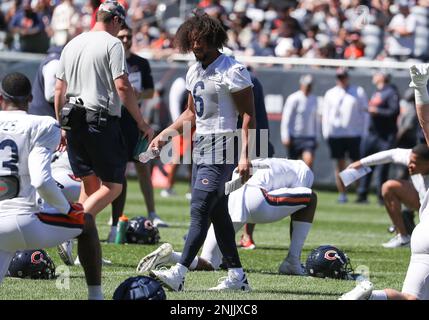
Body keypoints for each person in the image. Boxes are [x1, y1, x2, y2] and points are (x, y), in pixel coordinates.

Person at [147, 11, 255, 292]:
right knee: (217, 212)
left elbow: (248, 115)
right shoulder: (194, 69)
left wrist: (246, 155)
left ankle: (179, 272)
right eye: (192, 41)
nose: (196, 47)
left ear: (214, 40)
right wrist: (164, 135)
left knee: (200, 208)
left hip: (225, 142)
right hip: (202, 144)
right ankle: (237, 276)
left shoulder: (232, 69)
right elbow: (191, 114)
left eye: (201, 42)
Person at [0, 72, 103, 300]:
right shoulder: (42, 124)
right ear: (30, 99)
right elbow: (41, 180)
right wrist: (67, 209)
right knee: (86, 223)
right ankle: (96, 296)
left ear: (0, 98)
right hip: (25, 221)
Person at [54, 1, 153, 221]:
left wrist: (62, 125)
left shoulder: (72, 43)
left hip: (73, 121)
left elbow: (59, 89)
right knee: (113, 186)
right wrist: (141, 122)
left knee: (89, 185)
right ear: (116, 20)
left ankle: (80, 252)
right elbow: (122, 86)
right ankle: (71, 226)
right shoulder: (113, 43)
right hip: (99, 121)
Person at [137, 157, 316, 275]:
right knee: (311, 197)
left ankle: (170, 257)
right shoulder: (303, 170)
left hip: (230, 194)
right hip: (256, 197)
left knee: (209, 262)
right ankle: (292, 261)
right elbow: (299, 203)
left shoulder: (264, 162)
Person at [340, 63, 429, 300]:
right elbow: (425, 126)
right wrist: (420, 88)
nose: (410, 166)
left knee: (411, 298)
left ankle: (369, 296)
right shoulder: (420, 157)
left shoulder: (420, 157)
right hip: (423, 231)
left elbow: (424, 126)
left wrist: (420, 87)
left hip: (422, 235)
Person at [107, 23, 168, 243]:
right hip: (115, 121)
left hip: (136, 122)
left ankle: (152, 212)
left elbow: (151, 91)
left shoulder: (140, 63)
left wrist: (135, 97)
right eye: (122, 36)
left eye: (129, 36)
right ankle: (114, 218)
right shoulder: (110, 59)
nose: (125, 40)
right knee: (117, 171)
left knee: (144, 167)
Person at [347, 144, 429, 248]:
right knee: (389, 187)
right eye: (410, 161)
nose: (410, 165)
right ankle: (403, 238)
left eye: (416, 163)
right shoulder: (411, 157)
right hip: (420, 201)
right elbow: (391, 154)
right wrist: (360, 163)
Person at [322, 68, 369, 204]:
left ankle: (360, 192)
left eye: (343, 77)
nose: (341, 80)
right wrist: (326, 132)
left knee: (356, 164)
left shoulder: (358, 91)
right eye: (339, 77)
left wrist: (364, 131)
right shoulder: (330, 93)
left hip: (354, 133)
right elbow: (326, 114)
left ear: (347, 77)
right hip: (336, 134)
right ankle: (342, 193)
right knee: (339, 164)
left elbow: (365, 113)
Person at [356, 71, 400, 204]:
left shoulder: (391, 92)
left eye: (377, 74)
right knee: (365, 164)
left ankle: (381, 197)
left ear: (383, 77)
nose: (374, 76)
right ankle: (362, 194)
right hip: (372, 135)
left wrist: (377, 111)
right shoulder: (377, 92)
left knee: (382, 168)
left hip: (385, 136)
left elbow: (394, 111)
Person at [281, 74, 318, 169]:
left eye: (310, 85)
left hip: (309, 138)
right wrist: (285, 136)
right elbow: (286, 118)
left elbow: (316, 120)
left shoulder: (314, 99)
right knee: (292, 167)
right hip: (294, 137)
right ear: (301, 85)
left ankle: (305, 183)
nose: (308, 87)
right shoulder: (293, 98)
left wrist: (317, 137)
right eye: (307, 85)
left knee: (308, 162)